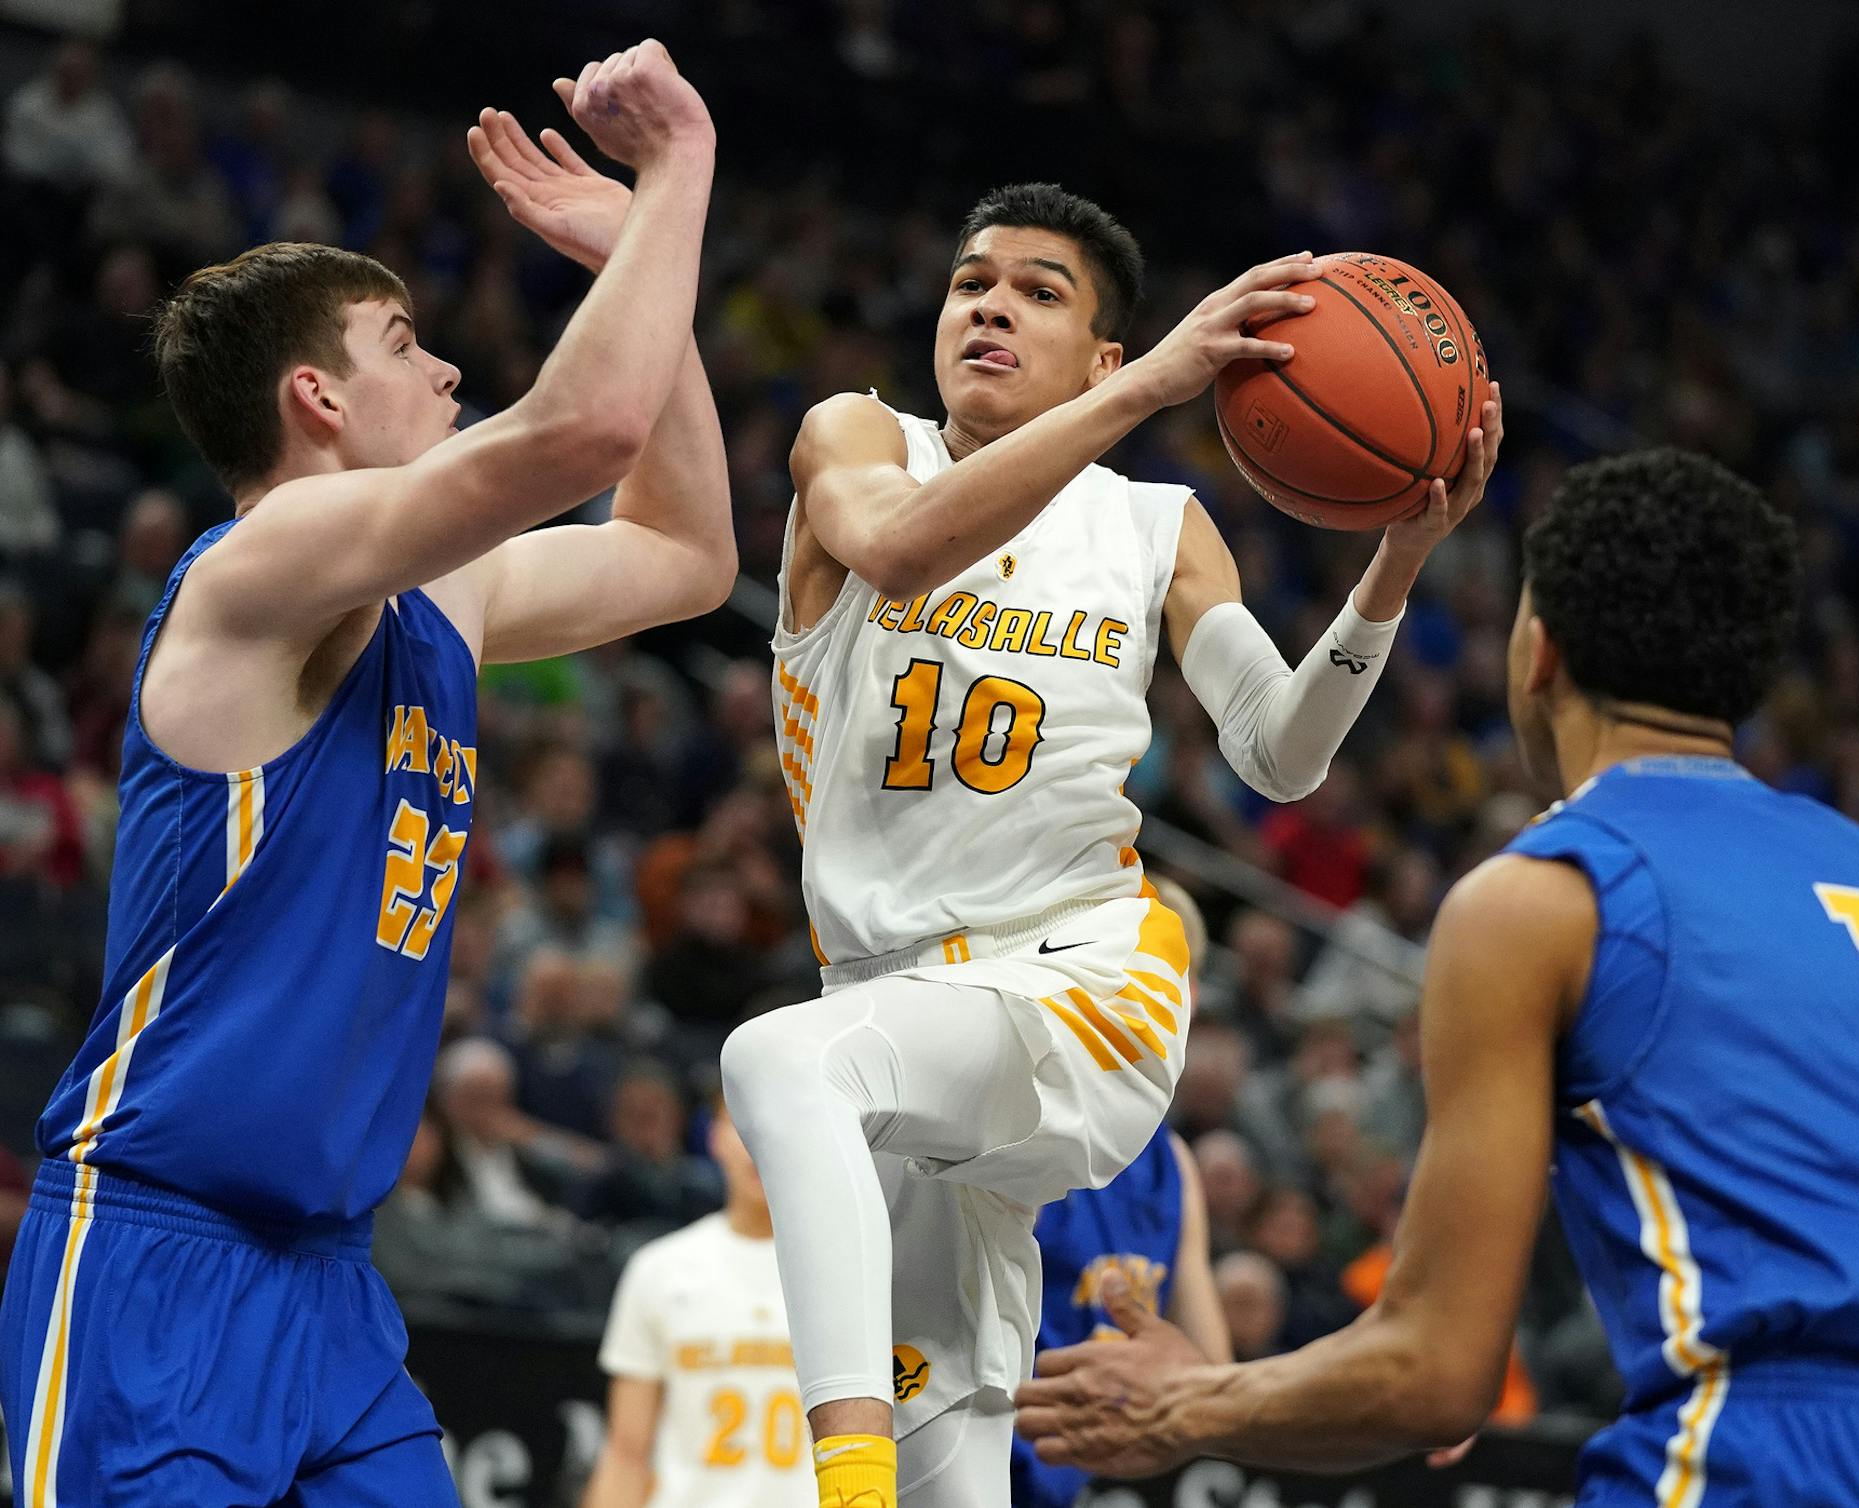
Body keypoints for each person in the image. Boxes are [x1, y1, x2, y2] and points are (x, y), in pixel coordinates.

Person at [1015, 447, 1859, 1505]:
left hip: (1761, 1457)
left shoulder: (1545, 894)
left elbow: (1435, 1373)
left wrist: (1185, 1401)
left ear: (1538, 648)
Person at [0, 43, 734, 1506]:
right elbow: (578, 430)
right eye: (404, 343)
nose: (449, 363)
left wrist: (633, 256)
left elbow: (686, 557)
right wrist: (678, 174)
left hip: (331, 1283)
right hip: (159, 1250)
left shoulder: (440, 597)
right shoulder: (255, 570)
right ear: (316, 399)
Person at [718, 180, 1502, 1508]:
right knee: (946, 1463)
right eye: (973, 283)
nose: (991, 308)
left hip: (1081, 974)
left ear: (1106, 358)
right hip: (898, 1017)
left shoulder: (1155, 527)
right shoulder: (858, 440)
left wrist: (1396, 564)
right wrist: (1144, 400)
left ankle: (835, 1489)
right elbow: (900, 551)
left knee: (773, 1063)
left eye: (1040, 292)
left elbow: (1281, 750)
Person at [1014, 879, 1231, 1508]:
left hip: (1087, 1474)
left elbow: (1211, 1371)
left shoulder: (1176, 1163)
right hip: (975, 1456)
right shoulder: (1021, 1110)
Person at [584, 1094, 813, 1508]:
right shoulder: (658, 1269)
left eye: (780, 1124)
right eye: (743, 1125)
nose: (759, 1144)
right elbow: (626, 1453)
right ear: (714, 1137)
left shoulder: (853, 1274)